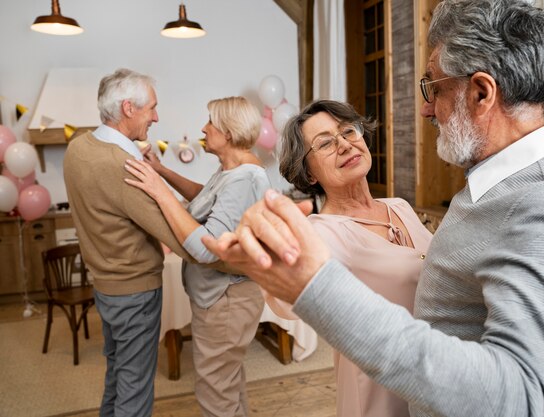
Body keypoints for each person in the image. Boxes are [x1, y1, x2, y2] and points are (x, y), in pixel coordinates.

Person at [202, 1, 544, 416]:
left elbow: (522, 398)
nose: (425, 108)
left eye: (432, 87)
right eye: (325, 143)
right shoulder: (516, 186)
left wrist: (317, 285)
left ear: (481, 93)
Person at [273, 99, 432, 417]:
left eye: (348, 131)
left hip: (434, 371)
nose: (344, 145)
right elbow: (288, 300)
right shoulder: (321, 232)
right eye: (326, 144)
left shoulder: (399, 206)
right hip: (379, 389)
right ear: (309, 172)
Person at [123, 96, 270, 417]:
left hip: (226, 299)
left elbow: (206, 247)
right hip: (222, 298)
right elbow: (206, 197)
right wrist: (161, 171)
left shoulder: (245, 178)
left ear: (228, 132)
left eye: (210, 123)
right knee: (226, 383)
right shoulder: (233, 171)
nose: (203, 129)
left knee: (215, 391)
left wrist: (160, 193)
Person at [64, 68, 199, 417]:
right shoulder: (122, 165)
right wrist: (227, 253)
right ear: (128, 108)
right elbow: (179, 236)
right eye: (151, 108)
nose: (156, 116)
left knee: (118, 375)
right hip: (135, 292)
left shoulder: (79, 147)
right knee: (135, 390)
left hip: (106, 287)